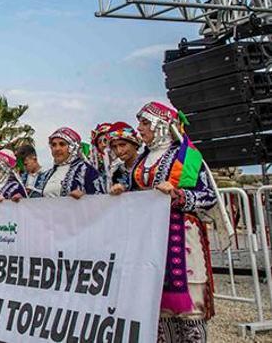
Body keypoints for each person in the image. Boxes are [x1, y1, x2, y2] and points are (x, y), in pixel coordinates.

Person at [121, 102, 218, 342]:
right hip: (151, 240)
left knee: (189, 309)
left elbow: (208, 196)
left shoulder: (187, 156)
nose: (139, 128)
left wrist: (179, 195)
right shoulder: (143, 160)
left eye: (145, 122)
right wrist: (122, 193)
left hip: (182, 238)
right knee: (157, 306)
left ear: (162, 125)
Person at [30, 127, 101, 198]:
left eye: (62, 144)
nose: (57, 149)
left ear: (72, 147)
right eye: (54, 145)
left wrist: (85, 197)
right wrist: (22, 200)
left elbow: (100, 200)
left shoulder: (87, 171)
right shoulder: (46, 175)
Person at [104, 121, 142, 194]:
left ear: (135, 144)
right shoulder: (116, 173)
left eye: (122, 145)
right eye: (114, 147)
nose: (119, 151)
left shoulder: (149, 165)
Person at [89, 122, 113, 189]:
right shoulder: (96, 167)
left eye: (106, 140)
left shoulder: (125, 162)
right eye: (99, 142)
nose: (103, 145)